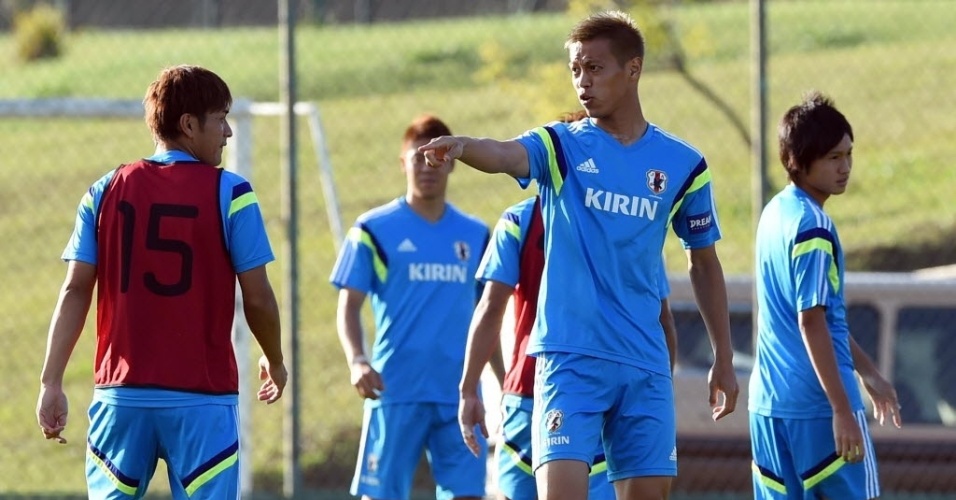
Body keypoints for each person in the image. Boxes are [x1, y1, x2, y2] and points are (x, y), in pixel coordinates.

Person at [419, 11, 738, 500]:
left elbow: (703, 262)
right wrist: (463, 147)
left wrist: (723, 355)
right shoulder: (561, 146)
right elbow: (504, 154)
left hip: (644, 361)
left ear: (633, 70)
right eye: (575, 70)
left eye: (594, 68)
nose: (582, 82)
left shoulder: (683, 165)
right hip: (570, 359)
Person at [36, 65, 287, 499]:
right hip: (201, 399)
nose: (228, 132)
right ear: (189, 125)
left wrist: (50, 381)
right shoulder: (232, 193)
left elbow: (76, 289)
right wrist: (274, 358)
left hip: (122, 398)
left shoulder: (103, 190)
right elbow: (259, 298)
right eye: (220, 118)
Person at [459, 192, 679, 500]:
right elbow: (663, 319)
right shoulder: (631, 219)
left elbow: (490, 308)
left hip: (550, 396)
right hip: (586, 396)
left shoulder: (520, 217)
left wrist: (469, 389)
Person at [748, 92, 902, 499]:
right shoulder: (813, 227)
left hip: (768, 407)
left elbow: (821, 317)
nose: (846, 167)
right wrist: (840, 408)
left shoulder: (774, 213)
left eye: (849, 154)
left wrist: (868, 372)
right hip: (818, 410)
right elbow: (810, 320)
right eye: (834, 157)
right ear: (799, 160)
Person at [330, 114, 490, 500]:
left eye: (436, 158)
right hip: (396, 388)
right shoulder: (373, 229)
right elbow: (348, 306)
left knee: (468, 494)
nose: (426, 167)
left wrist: (502, 384)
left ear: (452, 161)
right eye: (417, 158)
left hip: (460, 391)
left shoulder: (478, 235)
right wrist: (357, 360)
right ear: (403, 162)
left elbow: (490, 314)